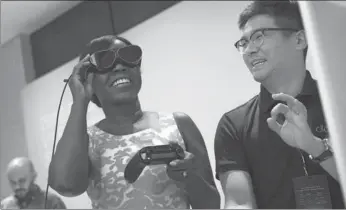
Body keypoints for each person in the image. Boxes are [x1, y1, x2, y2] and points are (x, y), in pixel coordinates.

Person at [48, 35, 220, 209]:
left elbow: (212, 205)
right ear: (87, 79)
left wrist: (189, 178)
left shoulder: (179, 124)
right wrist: (80, 102)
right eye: (105, 61)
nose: (120, 66)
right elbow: (66, 186)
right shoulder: (86, 141)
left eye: (129, 56)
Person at [214, 1, 345, 209]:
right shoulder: (233, 124)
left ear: (299, 39)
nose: (248, 50)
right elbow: (239, 203)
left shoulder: (339, 100)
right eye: (243, 43)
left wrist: (315, 146)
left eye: (259, 37)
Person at [0, 157, 66, 209]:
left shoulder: (53, 203)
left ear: (33, 177)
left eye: (22, 181)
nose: (17, 187)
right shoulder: (4, 206)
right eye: (13, 182)